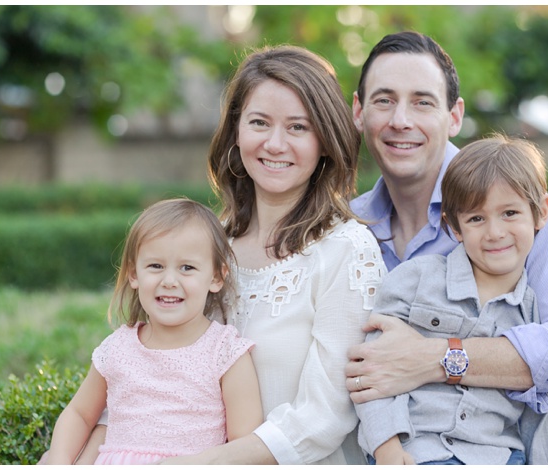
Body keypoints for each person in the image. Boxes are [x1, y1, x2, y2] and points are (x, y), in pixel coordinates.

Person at [345, 31, 548, 465]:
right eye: (383, 100)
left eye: (422, 101)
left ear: (455, 116)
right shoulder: (348, 229)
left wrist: (438, 358)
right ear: (359, 112)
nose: (400, 119)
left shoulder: (515, 214)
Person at [157, 45, 385, 465]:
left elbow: (324, 418)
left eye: (298, 127)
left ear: (326, 141)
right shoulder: (208, 244)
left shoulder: (346, 251)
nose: (275, 144)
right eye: (259, 122)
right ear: (236, 132)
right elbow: (152, 365)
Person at [356, 134, 548, 465]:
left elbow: (545, 414)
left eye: (510, 213)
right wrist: (387, 450)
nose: (495, 232)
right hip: (418, 450)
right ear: (454, 226)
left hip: (498, 456)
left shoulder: (538, 312)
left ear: (541, 213)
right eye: (476, 218)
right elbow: (371, 373)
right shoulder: (414, 281)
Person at [44, 198, 263, 464]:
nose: (169, 281)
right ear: (134, 274)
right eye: (156, 266)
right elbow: (79, 413)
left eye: (187, 268)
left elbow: (243, 443)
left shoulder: (225, 352)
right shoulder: (118, 347)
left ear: (216, 276)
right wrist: (59, 461)